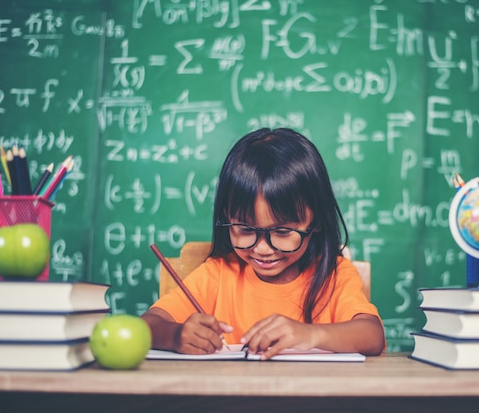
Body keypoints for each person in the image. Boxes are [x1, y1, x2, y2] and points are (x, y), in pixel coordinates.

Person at [142, 127, 386, 360]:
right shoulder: (217, 275)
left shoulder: (334, 275)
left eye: (282, 231)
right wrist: (175, 336)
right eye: (245, 229)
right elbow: (147, 325)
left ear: (317, 221)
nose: (262, 248)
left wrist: (309, 334)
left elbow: (372, 335)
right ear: (226, 218)